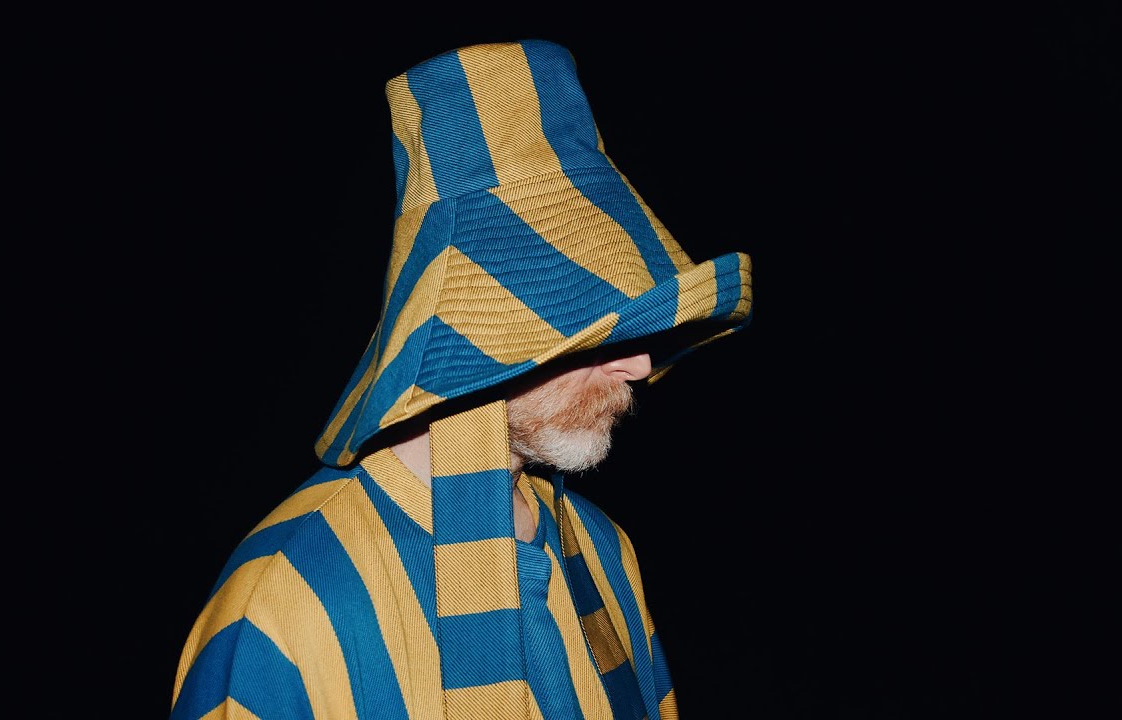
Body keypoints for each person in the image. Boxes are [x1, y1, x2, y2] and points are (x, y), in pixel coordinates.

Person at [170, 39, 753, 720]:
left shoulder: (605, 552)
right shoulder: (281, 607)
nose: (641, 365)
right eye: (595, 334)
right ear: (480, 341)